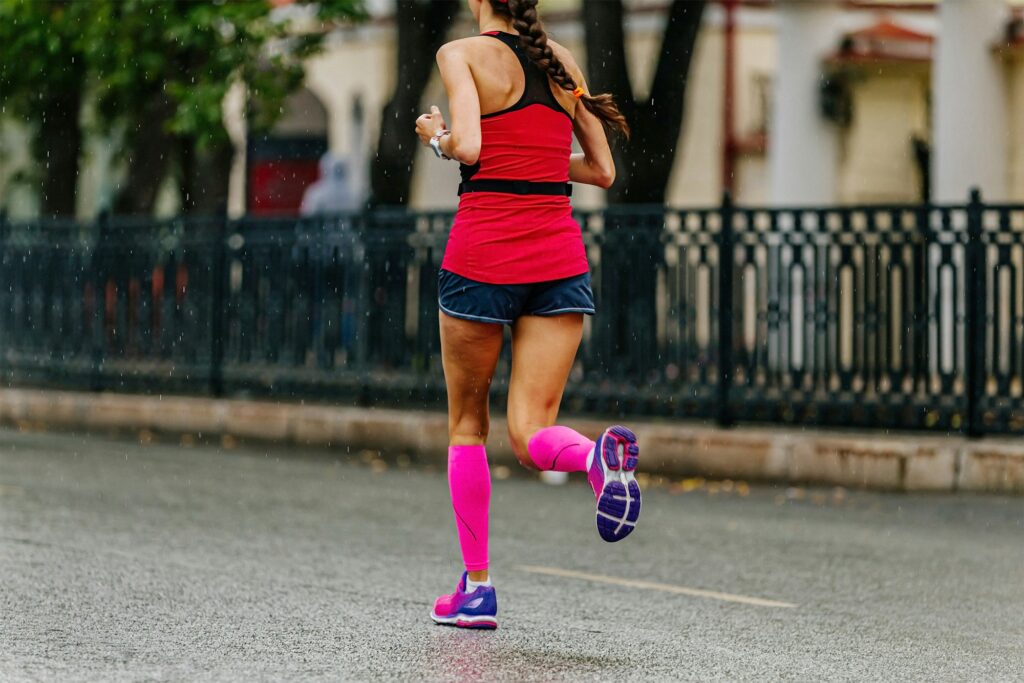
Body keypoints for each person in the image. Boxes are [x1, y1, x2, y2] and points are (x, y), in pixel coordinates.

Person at [415, 0, 638, 631]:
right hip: (557, 261)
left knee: (467, 424)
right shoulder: (562, 62)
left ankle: (478, 589)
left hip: (483, 256)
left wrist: (433, 134)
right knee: (532, 433)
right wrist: (539, 162)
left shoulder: (460, 54)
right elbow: (602, 170)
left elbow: (470, 145)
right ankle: (594, 459)